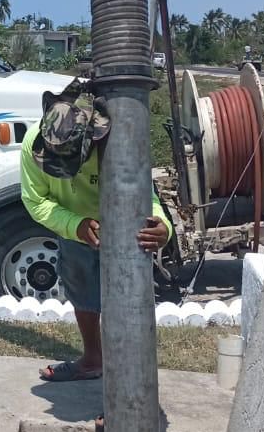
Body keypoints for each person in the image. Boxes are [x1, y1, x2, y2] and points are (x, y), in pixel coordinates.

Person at [20, 85, 173, 381]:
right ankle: (92, 360)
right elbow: (34, 200)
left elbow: (144, 192)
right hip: (73, 226)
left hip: (124, 234)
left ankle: (127, 390)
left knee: (125, 305)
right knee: (82, 294)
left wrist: (162, 226)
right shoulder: (33, 144)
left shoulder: (116, 144)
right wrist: (74, 225)